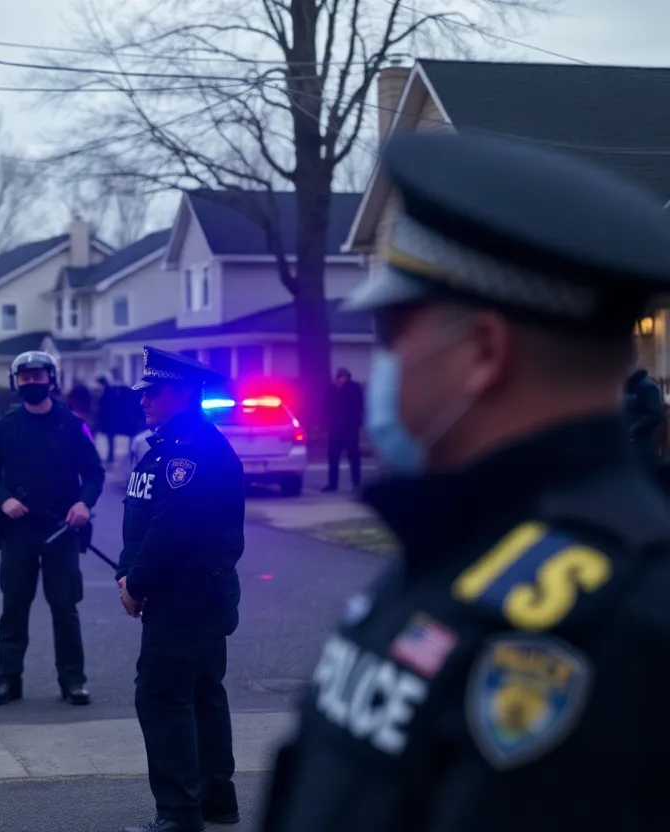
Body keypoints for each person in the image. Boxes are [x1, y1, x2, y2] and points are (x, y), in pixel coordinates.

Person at [258, 130, 670, 831]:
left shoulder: (611, 629)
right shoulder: (463, 538)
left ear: (482, 351)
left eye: (393, 332)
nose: (383, 360)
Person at [118, 346, 245, 832]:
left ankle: (178, 813)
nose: (145, 400)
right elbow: (144, 521)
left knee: (163, 696)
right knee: (201, 693)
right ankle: (216, 802)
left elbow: (172, 529)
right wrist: (126, 571)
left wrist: (137, 581)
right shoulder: (170, 447)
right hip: (194, 594)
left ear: (182, 395)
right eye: (144, 392)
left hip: (186, 595)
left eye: (154, 392)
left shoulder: (191, 453)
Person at [0, 351, 106, 706]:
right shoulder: (5, 427)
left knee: (65, 608)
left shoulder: (71, 424)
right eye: (25, 377)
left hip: (61, 532)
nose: (32, 383)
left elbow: (94, 473)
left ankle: (73, 681)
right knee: (14, 607)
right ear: (15, 381)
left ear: (52, 379)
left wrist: (84, 504)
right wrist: (3, 500)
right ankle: (7, 681)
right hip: (17, 532)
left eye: (38, 376)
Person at [322, 368, 364, 491]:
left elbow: (358, 407)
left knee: (353, 457)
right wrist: (327, 422)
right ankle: (333, 483)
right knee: (333, 458)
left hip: (349, 429)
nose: (341, 380)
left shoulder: (353, 389)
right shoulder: (332, 390)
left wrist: (357, 423)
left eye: (343, 377)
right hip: (335, 429)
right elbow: (326, 407)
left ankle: (356, 483)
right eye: (339, 377)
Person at [623, 366, 665, 469]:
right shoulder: (620, 386)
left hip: (641, 443)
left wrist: (634, 430)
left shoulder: (649, 388)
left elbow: (656, 415)